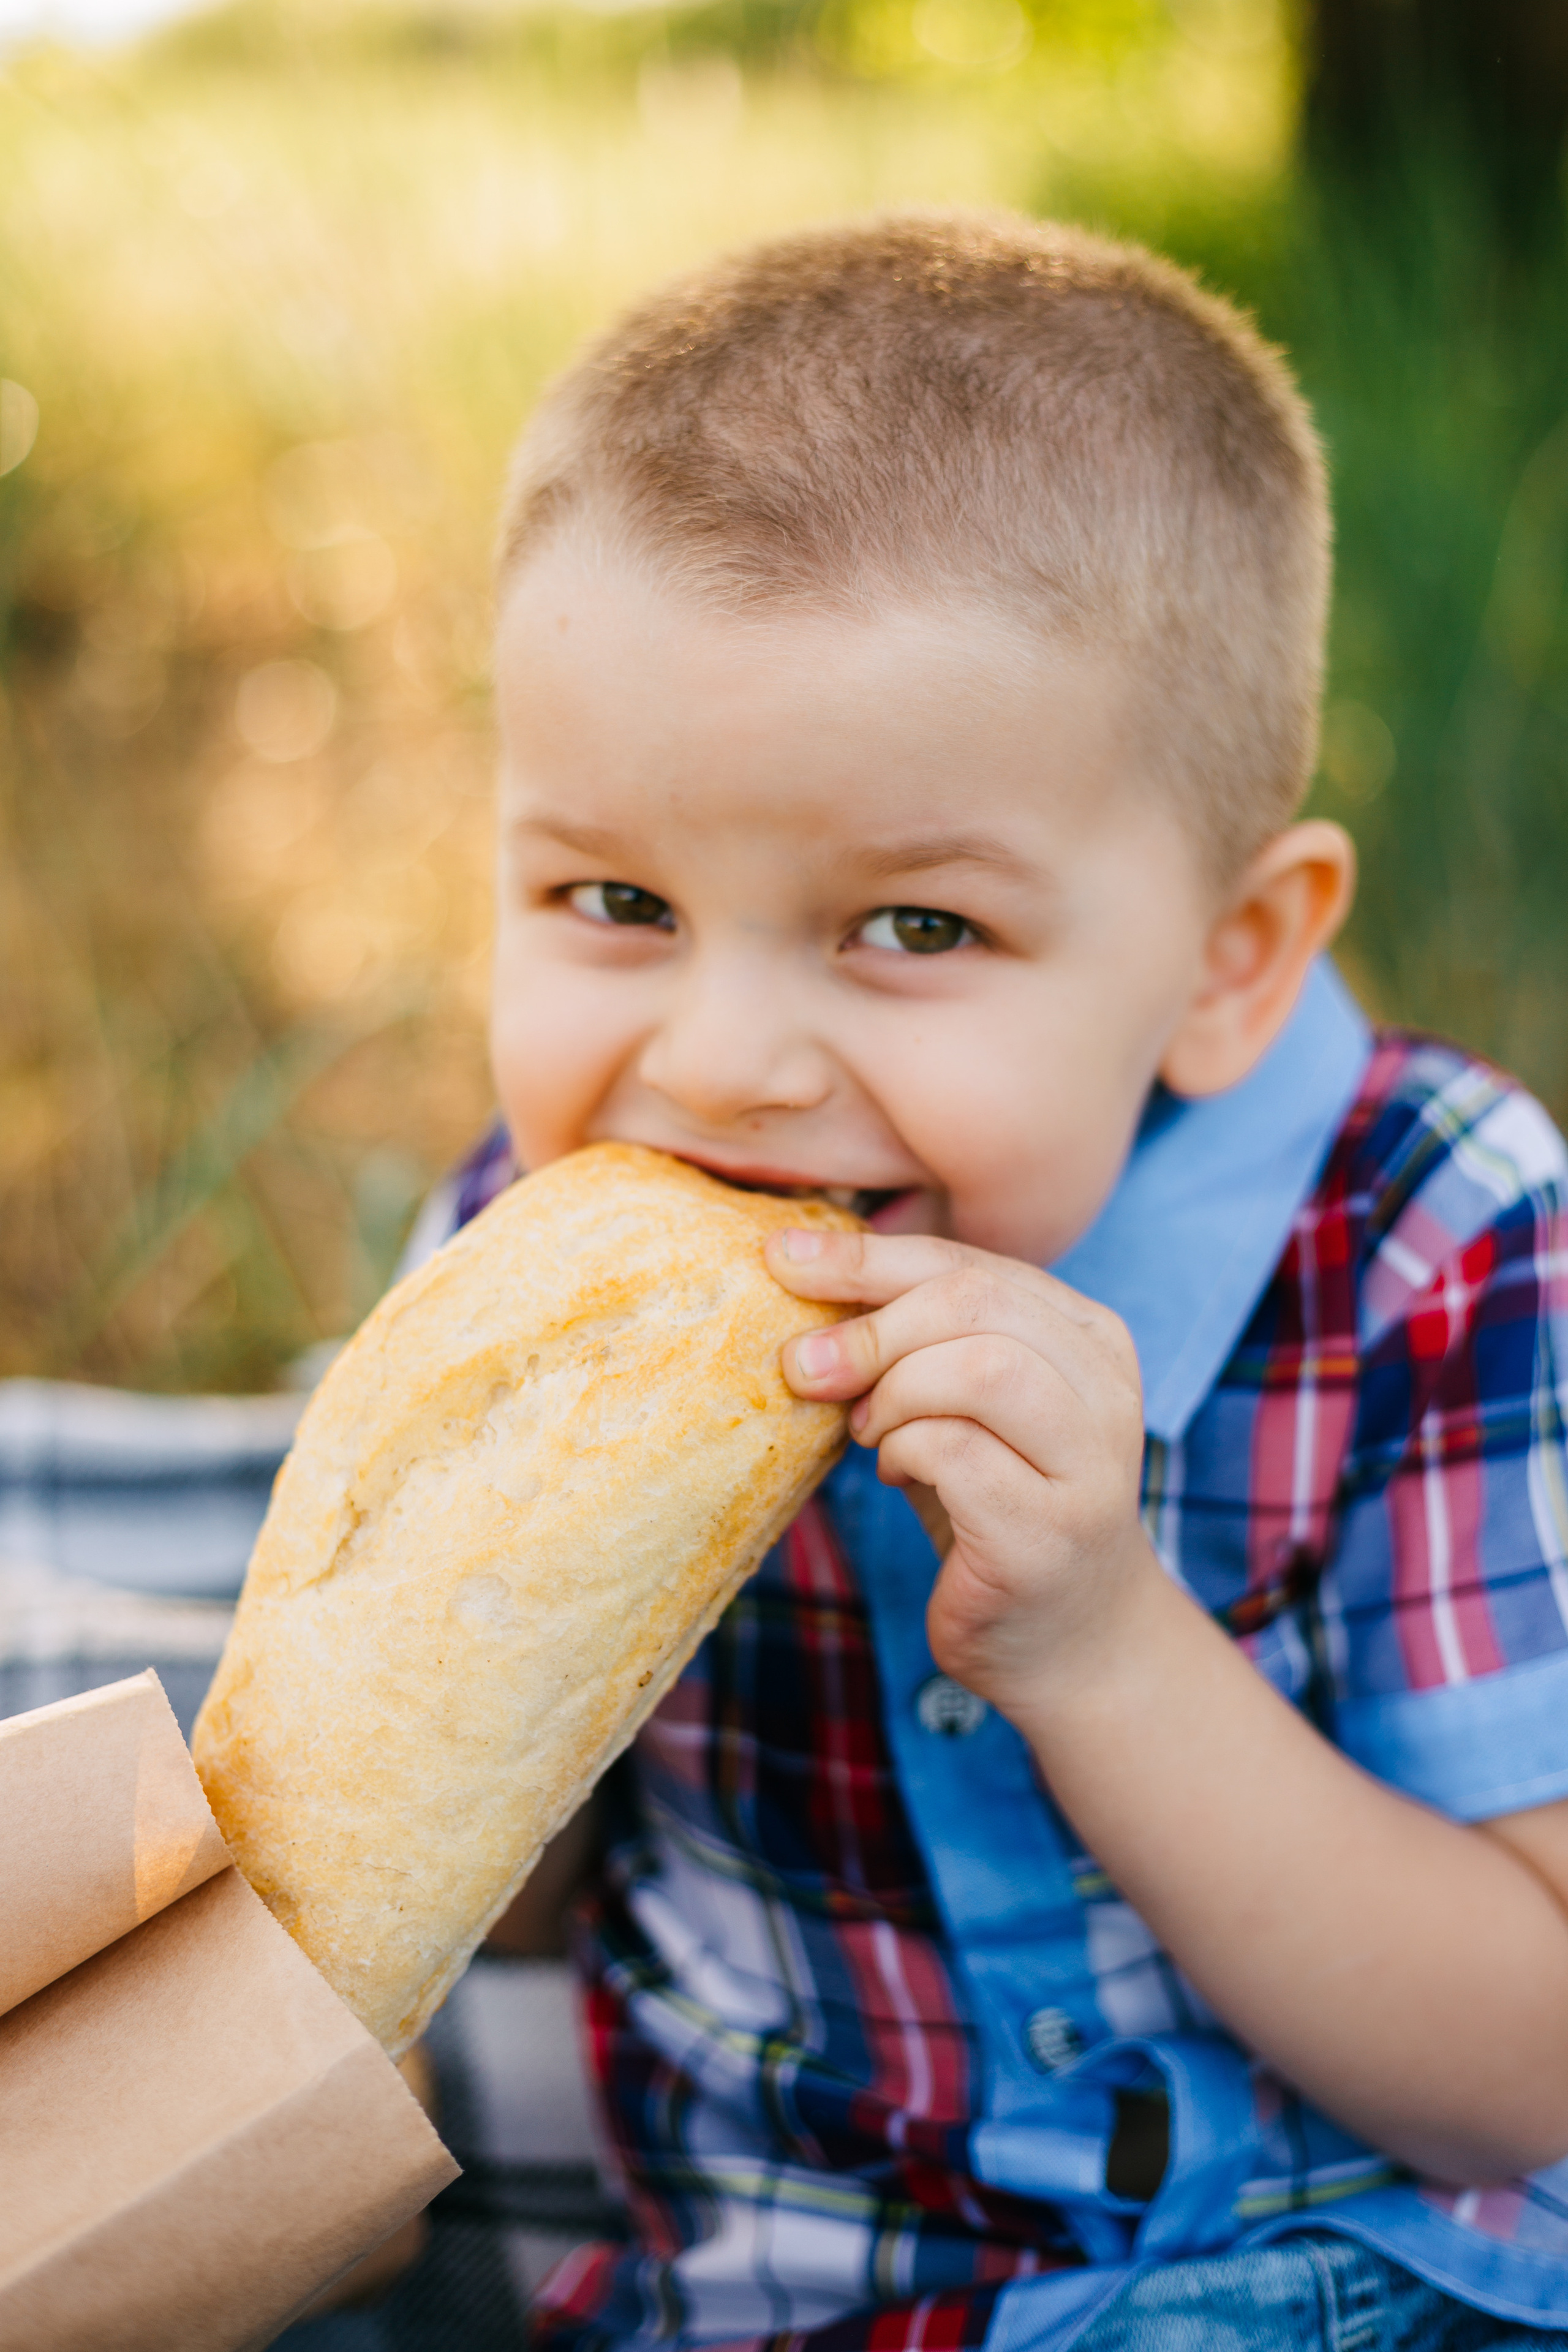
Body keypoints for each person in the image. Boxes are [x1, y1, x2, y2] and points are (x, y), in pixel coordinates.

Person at [434, 212, 1568, 2348]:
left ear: (1231, 961)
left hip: (1357, 2284)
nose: (723, 1064)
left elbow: (1528, 2072)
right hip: (775, 2301)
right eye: (615, 898)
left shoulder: (1434, 1244)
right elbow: (481, 1907)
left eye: (914, 930)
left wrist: (1102, 1639)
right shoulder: (528, 1242)